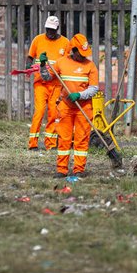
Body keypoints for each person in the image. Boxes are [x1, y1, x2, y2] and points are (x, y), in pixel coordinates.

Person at [39, 33, 99, 178]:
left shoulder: (90, 66)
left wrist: (80, 95)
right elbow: (46, 77)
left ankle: (79, 169)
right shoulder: (61, 62)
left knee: (81, 140)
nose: (83, 56)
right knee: (64, 140)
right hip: (65, 106)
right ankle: (61, 170)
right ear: (73, 49)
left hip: (84, 107)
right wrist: (42, 65)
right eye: (80, 52)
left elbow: (94, 88)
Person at [25, 16, 70, 151]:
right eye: (47, 29)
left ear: (57, 29)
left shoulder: (65, 43)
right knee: (39, 112)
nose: (49, 32)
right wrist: (28, 69)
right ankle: (33, 143)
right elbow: (30, 57)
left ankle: (50, 143)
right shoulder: (38, 40)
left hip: (56, 85)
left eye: (52, 30)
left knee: (53, 113)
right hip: (40, 83)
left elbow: (67, 62)